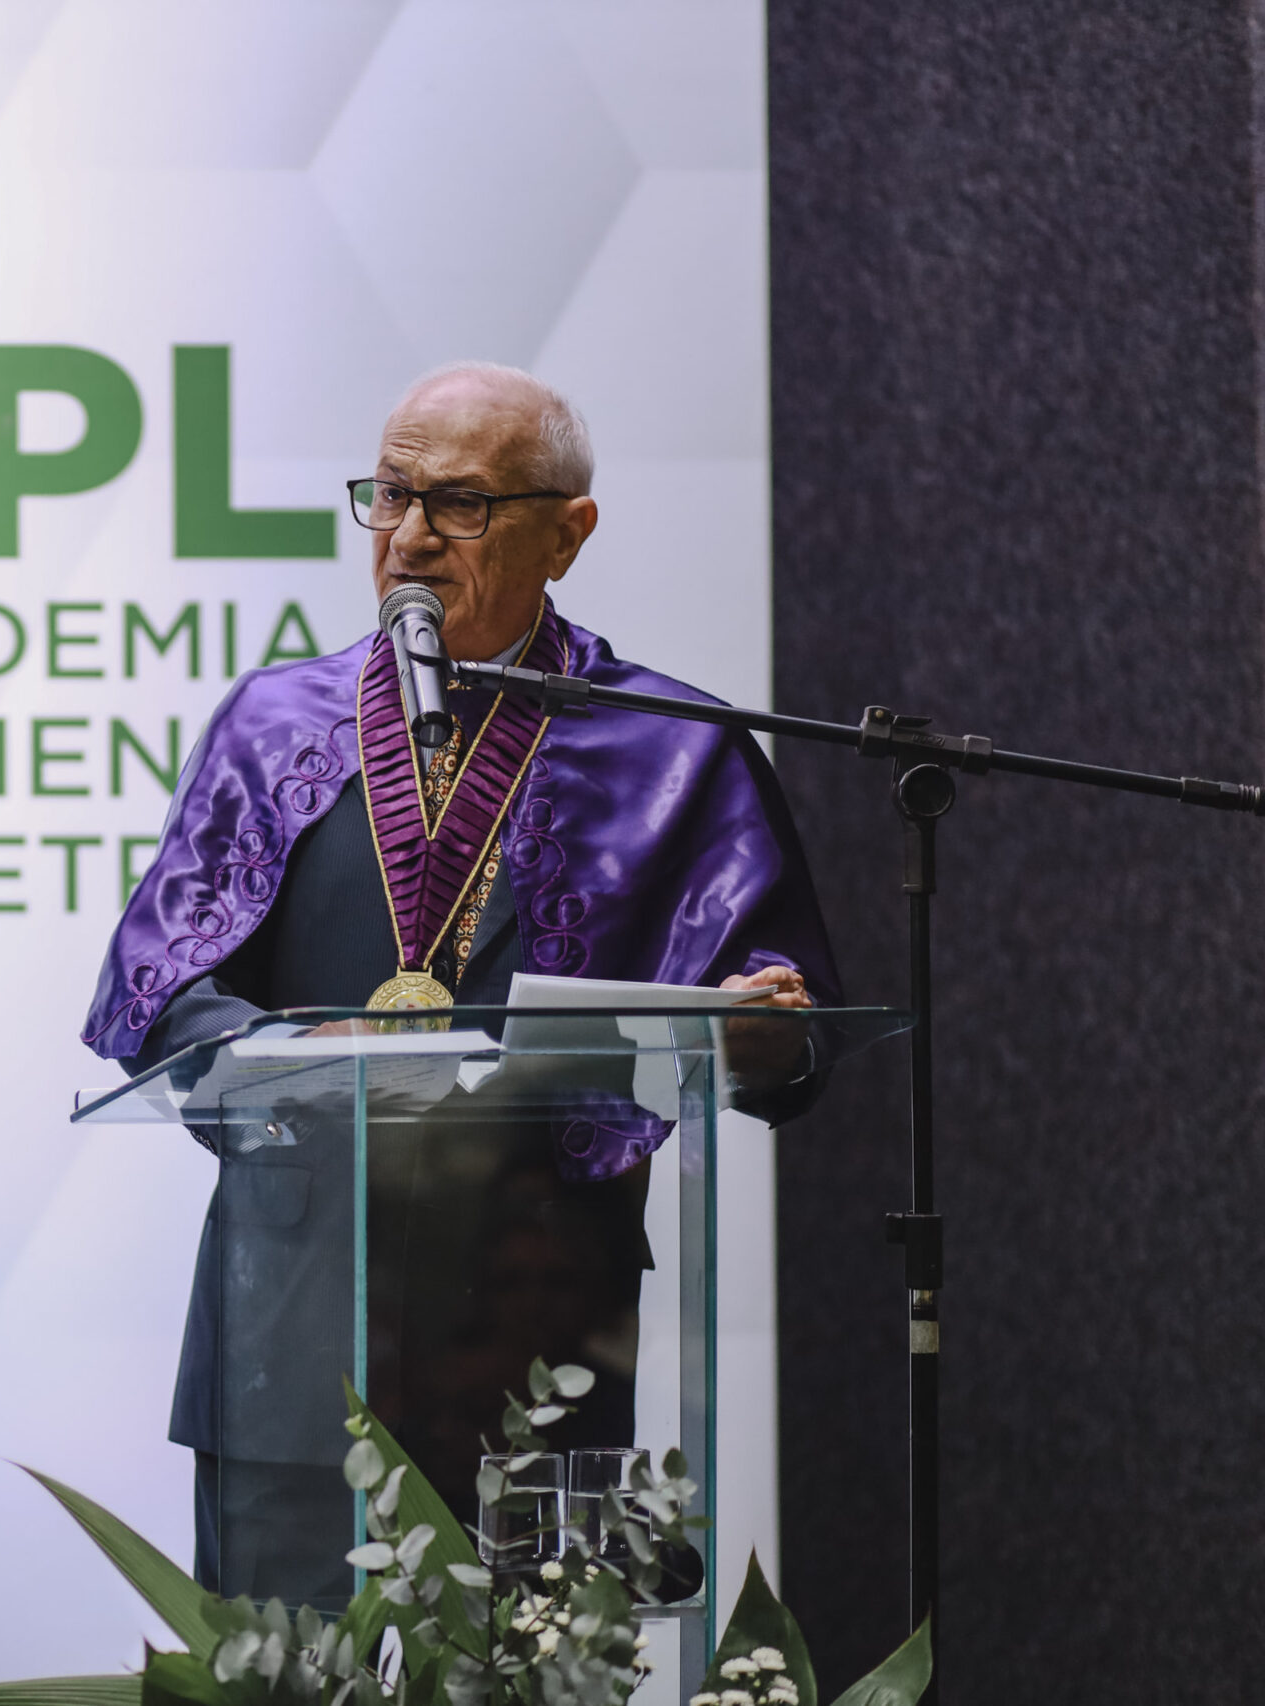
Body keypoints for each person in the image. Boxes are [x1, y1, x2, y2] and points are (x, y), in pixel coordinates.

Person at [79, 362, 839, 1604]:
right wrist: (310, 1060)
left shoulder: (674, 748)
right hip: (294, 1314)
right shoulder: (273, 724)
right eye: (389, 496)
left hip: (544, 1329)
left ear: (568, 532)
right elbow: (156, 985)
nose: (413, 535)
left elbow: (785, 1031)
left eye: (462, 504)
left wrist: (754, 1029)